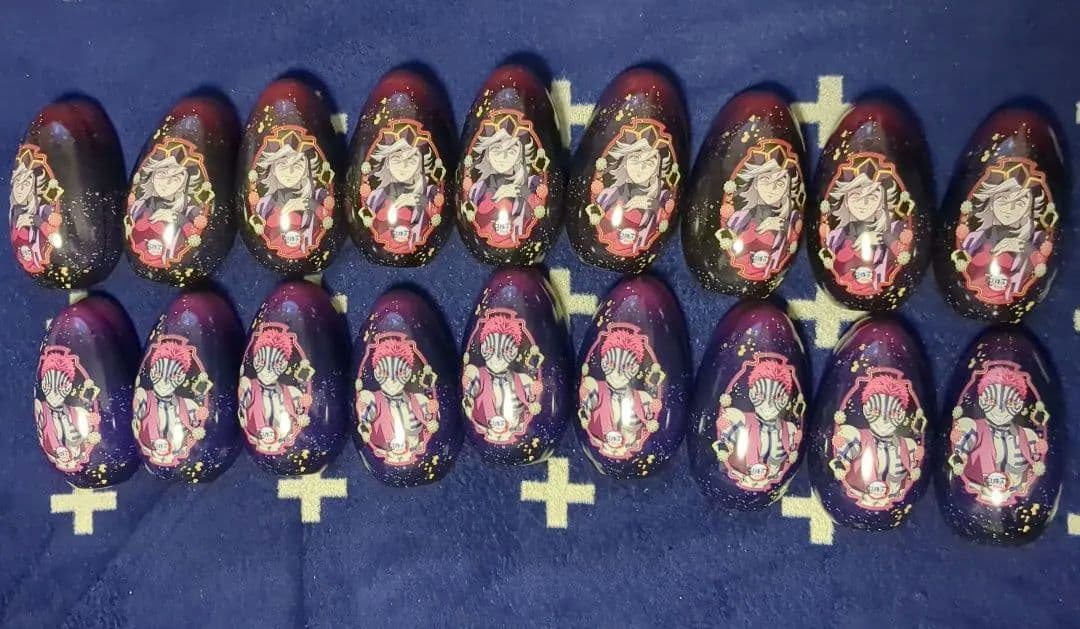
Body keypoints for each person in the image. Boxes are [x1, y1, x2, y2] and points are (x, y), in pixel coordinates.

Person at [949, 363, 1047, 506]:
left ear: (1019, 406)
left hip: (1019, 503)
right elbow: (956, 457)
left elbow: (1039, 469)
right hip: (973, 500)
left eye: (1010, 403)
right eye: (991, 401)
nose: (1000, 410)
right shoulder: (972, 427)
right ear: (981, 401)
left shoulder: (1028, 436)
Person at [956, 158, 1051, 304]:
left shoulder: (1036, 241)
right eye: (1003, 199)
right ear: (991, 203)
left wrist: (1025, 248)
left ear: (1028, 210)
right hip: (968, 295)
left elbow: (1040, 266)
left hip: (1013, 300)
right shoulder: (974, 238)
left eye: (1020, 203)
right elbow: (960, 262)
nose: (1010, 209)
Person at [829, 372, 922, 510]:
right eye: (876, 411)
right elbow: (839, 460)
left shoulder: (909, 446)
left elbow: (913, 478)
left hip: (895, 505)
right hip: (852, 502)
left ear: (902, 415)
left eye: (893, 414)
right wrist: (841, 465)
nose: (883, 420)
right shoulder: (855, 436)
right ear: (866, 410)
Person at [822, 154, 907, 295]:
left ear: (881, 204)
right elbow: (834, 263)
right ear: (846, 200)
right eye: (856, 196)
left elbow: (902, 256)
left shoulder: (892, 231)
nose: (864, 203)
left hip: (881, 288)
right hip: (845, 285)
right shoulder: (835, 235)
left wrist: (886, 239)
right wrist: (855, 244)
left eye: (872, 197)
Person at [712, 357, 800, 491]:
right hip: (732, 480)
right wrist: (723, 448)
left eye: (777, 398)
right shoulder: (739, 419)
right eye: (760, 396)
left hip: (770, 485)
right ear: (752, 393)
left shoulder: (789, 430)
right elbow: (720, 444)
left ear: (786, 399)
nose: (768, 406)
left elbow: (787, 460)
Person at [720, 140, 801, 281]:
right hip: (728, 271)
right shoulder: (739, 217)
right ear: (756, 183)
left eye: (780, 183)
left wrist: (784, 227)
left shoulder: (789, 221)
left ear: (787, 190)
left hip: (767, 275)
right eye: (765, 180)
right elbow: (724, 237)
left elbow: (789, 245)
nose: (772, 188)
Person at [579, 325, 660, 459]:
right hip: (598, 450)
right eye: (611, 365)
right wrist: (584, 414)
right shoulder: (596, 390)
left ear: (635, 369)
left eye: (626, 367)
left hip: (636, 454)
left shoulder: (642, 398)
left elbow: (653, 422)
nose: (617, 374)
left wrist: (651, 422)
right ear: (603, 362)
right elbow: (584, 410)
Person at [251, 127, 333, 259]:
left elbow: (329, 220)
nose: (290, 172)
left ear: (306, 171)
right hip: (275, 258)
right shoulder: (263, 204)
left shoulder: (319, 196)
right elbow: (258, 232)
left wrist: (309, 204)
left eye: (297, 165)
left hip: (313, 257)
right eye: (282, 165)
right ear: (273, 170)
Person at [356, 334, 438, 466]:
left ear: (409, 373)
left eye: (400, 373)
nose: (392, 381)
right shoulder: (372, 400)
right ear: (376, 373)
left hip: (418, 454)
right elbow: (364, 421)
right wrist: (365, 425)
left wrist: (431, 408)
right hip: (386, 454)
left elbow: (432, 420)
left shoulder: (418, 400)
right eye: (384, 373)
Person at [464, 111, 542, 248]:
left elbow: (540, 209)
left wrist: (520, 191)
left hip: (523, 244)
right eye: (496, 150)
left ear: (519, 156)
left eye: (511, 151)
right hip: (487, 244)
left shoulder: (532, 183)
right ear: (487, 154)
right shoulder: (478, 188)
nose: (503, 157)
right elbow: (470, 212)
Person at [594, 122, 673, 257]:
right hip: (602, 248)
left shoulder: (662, 198)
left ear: (657, 170)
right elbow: (594, 220)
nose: (641, 167)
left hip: (640, 253)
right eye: (635, 159)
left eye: (650, 162)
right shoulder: (608, 194)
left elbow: (664, 222)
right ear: (624, 162)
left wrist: (654, 207)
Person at [128, 139, 209, 268]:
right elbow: (129, 224)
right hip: (142, 262)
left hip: (185, 265)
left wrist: (178, 219)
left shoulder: (191, 212)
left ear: (183, 186)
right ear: (152, 177)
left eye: (176, 178)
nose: (167, 182)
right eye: (162, 174)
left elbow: (197, 237)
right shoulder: (138, 207)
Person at [462, 312, 540, 444]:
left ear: (514, 352)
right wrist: (469, 402)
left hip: (521, 435)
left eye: (506, 351)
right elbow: (468, 399)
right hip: (483, 431)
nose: (497, 358)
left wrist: (534, 403)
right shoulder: (477, 376)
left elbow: (535, 405)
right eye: (491, 350)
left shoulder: (522, 381)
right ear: (483, 348)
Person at [364, 123, 438, 254]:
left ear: (419, 166)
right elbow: (368, 225)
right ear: (387, 163)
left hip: (418, 250)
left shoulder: (429, 193)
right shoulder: (376, 197)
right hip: (380, 250)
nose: (403, 166)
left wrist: (421, 201)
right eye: (396, 159)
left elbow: (436, 218)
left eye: (411, 160)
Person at [239, 323, 309, 454]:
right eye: (261, 362)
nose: (267, 371)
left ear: (284, 365)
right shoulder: (249, 388)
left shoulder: (293, 393)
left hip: (293, 450)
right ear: (255, 360)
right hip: (259, 451)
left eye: (276, 364)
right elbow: (242, 412)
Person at [133, 338, 202, 466]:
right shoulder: (144, 398)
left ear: (181, 378)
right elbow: (136, 423)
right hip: (153, 461)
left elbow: (200, 437)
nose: (164, 382)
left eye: (173, 376)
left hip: (186, 463)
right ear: (152, 371)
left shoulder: (189, 406)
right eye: (158, 374)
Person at [34, 347, 97, 471]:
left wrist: (81, 444)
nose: (53, 393)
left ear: (68, 387)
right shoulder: (42, 411)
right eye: (48, 385)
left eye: (61, 386)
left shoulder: (78, 412)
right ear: (43, 384)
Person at [9, 145, 59, 274]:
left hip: (53, 263)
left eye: (26, 184)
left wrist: (34, 220)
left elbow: (53, 231)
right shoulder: (16, 211)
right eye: (18, 182)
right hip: (35, 268)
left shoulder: (44, 210)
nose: (20, 189)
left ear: (32, 188)